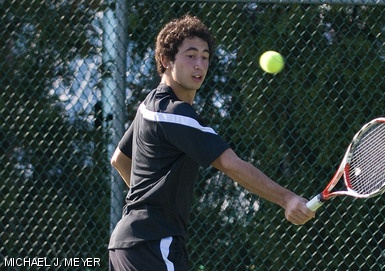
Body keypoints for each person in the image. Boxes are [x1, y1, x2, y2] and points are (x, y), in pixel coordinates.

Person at [108, 14, 315, 270]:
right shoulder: (173, 114)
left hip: (127, 246)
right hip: (154, 244)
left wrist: (149, 202)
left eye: (205, 57)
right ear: (165, 60)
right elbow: (229, 163)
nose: (199, 65)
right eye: (191, 55)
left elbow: (119, 159)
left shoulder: (149, 106)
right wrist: (288, 199)